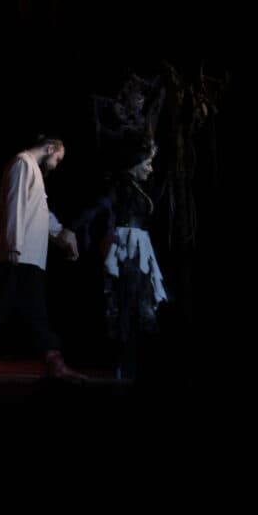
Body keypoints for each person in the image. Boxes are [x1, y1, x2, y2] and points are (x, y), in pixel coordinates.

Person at [0, 134, 88, 383]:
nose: (57, 165)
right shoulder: (23, 163)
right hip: (17, 255)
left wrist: (62, 236)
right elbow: (15, 204)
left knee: (27, 310)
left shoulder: (32, 169)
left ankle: (52, 361)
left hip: (29, 256)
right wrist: (14, 243)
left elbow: (40, 212)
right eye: (58, 159)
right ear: (49, 148)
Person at [73, 133, 167, 381]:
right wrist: (72, 230)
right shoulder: (120, 189)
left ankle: (134, 366)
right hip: (127, 252)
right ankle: (124, 366)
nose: (150, 168)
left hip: (140, 251)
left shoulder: (139, 188)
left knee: (139, 305)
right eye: (147, 163)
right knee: (127, 304)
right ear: (134, 164)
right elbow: (97, 208)